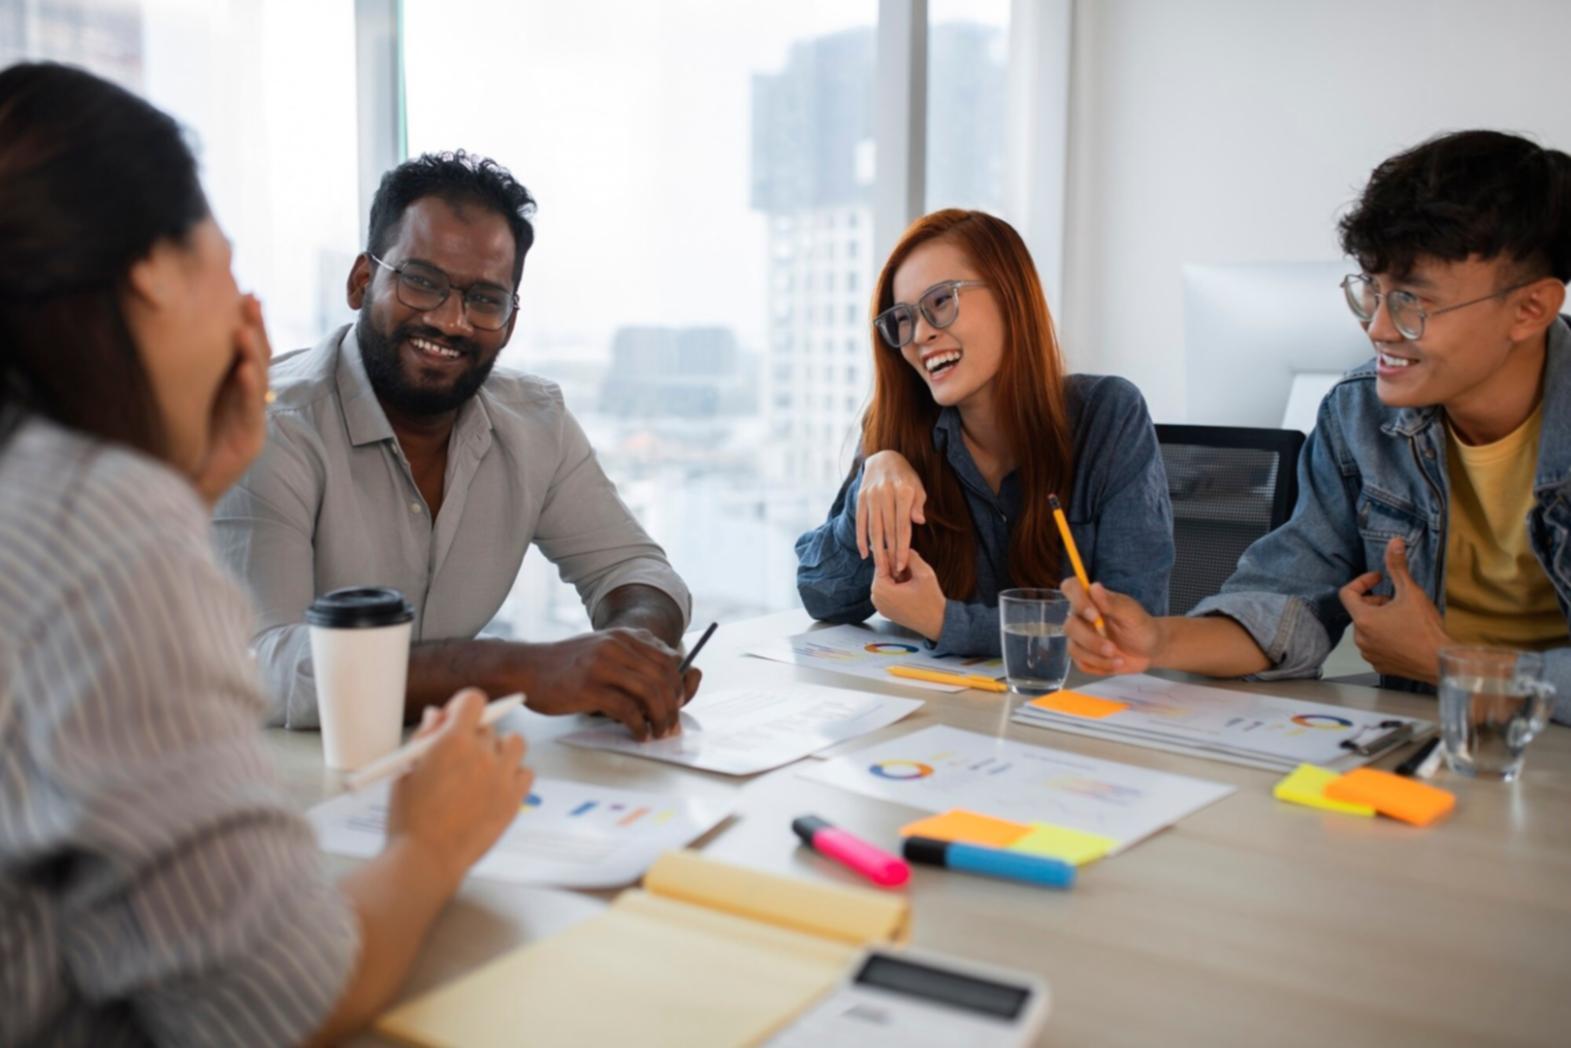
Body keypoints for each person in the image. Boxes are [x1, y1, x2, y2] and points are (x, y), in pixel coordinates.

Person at [0, 63, 533, 1046]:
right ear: (151, 273)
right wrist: (432, 840)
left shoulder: (45, 489)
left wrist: (185, 491)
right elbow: (277, 1001)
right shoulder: (94, 521)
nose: (243, 301)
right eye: (221, 257)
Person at [1063, 130, 1571, 725]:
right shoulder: (1360, 415)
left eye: (1412, 303)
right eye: (1371, 293)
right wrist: (1157, 640)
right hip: (1425, 741)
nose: (1379, 328)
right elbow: (1291, 598)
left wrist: (1451, 664)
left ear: (1530, 309)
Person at [213, 152, 697, 741]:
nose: (452, 321)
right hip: (279, 783)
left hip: (443, 768)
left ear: (510, 320)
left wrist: (632, 649)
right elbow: (264, 664)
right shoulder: (274, 425)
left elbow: (634, 567)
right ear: (362, 281)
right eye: (421, 283)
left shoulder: (535, 420)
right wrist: (515, 668)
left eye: (485, 299)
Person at [795, 209, 1173, 656]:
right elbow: (822, 596)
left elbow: (1129, 628)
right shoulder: (899, 429)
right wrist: (872, 481)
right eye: (903, 319)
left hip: (1074, 718)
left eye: (940, 302)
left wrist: (945, 622)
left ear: (1012, 296)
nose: (919, 335)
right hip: (939, 716)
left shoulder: (1108, 416)